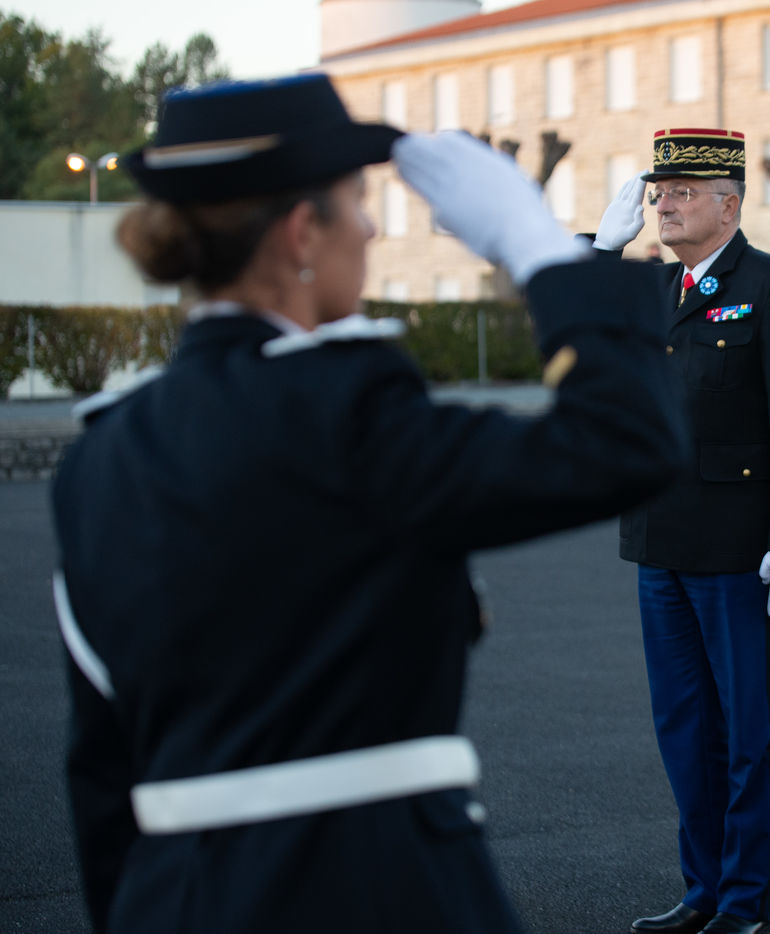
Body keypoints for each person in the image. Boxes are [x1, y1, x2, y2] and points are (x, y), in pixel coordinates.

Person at [48, 74, 686, 934]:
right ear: (301, 231)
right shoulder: (348, 413)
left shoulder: (101, 455)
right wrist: (536, 246)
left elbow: (101, 773)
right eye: (355, 202)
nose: (371, 228)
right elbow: (624, 442)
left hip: (174, 900)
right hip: (378, 886)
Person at [590, 128, 770, 934]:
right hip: (658, 540)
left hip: (736, 550)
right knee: (684, 729)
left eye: (682, 193)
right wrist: (600, 252)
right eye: (660, 193)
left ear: (728, 205)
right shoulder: (657, 287)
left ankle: (743, 901)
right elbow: (582, 340)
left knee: (745, 732)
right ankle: (701, 890)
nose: (664, 204)